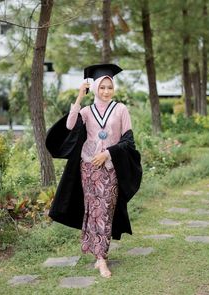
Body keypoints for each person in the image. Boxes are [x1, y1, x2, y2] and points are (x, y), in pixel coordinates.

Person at [45, 63, 142, 279]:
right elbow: (70, 126)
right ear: (95, 88)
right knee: (93, 211)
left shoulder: (121, 109)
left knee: (105, 210)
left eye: (109, 87)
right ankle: (100, 257)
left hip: (109, 167)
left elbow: (128, 141)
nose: (106, 91)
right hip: (88, 168)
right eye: (102, 87)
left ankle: (101, 257)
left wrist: (108, 154)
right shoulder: (87, 112)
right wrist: (79, 97)